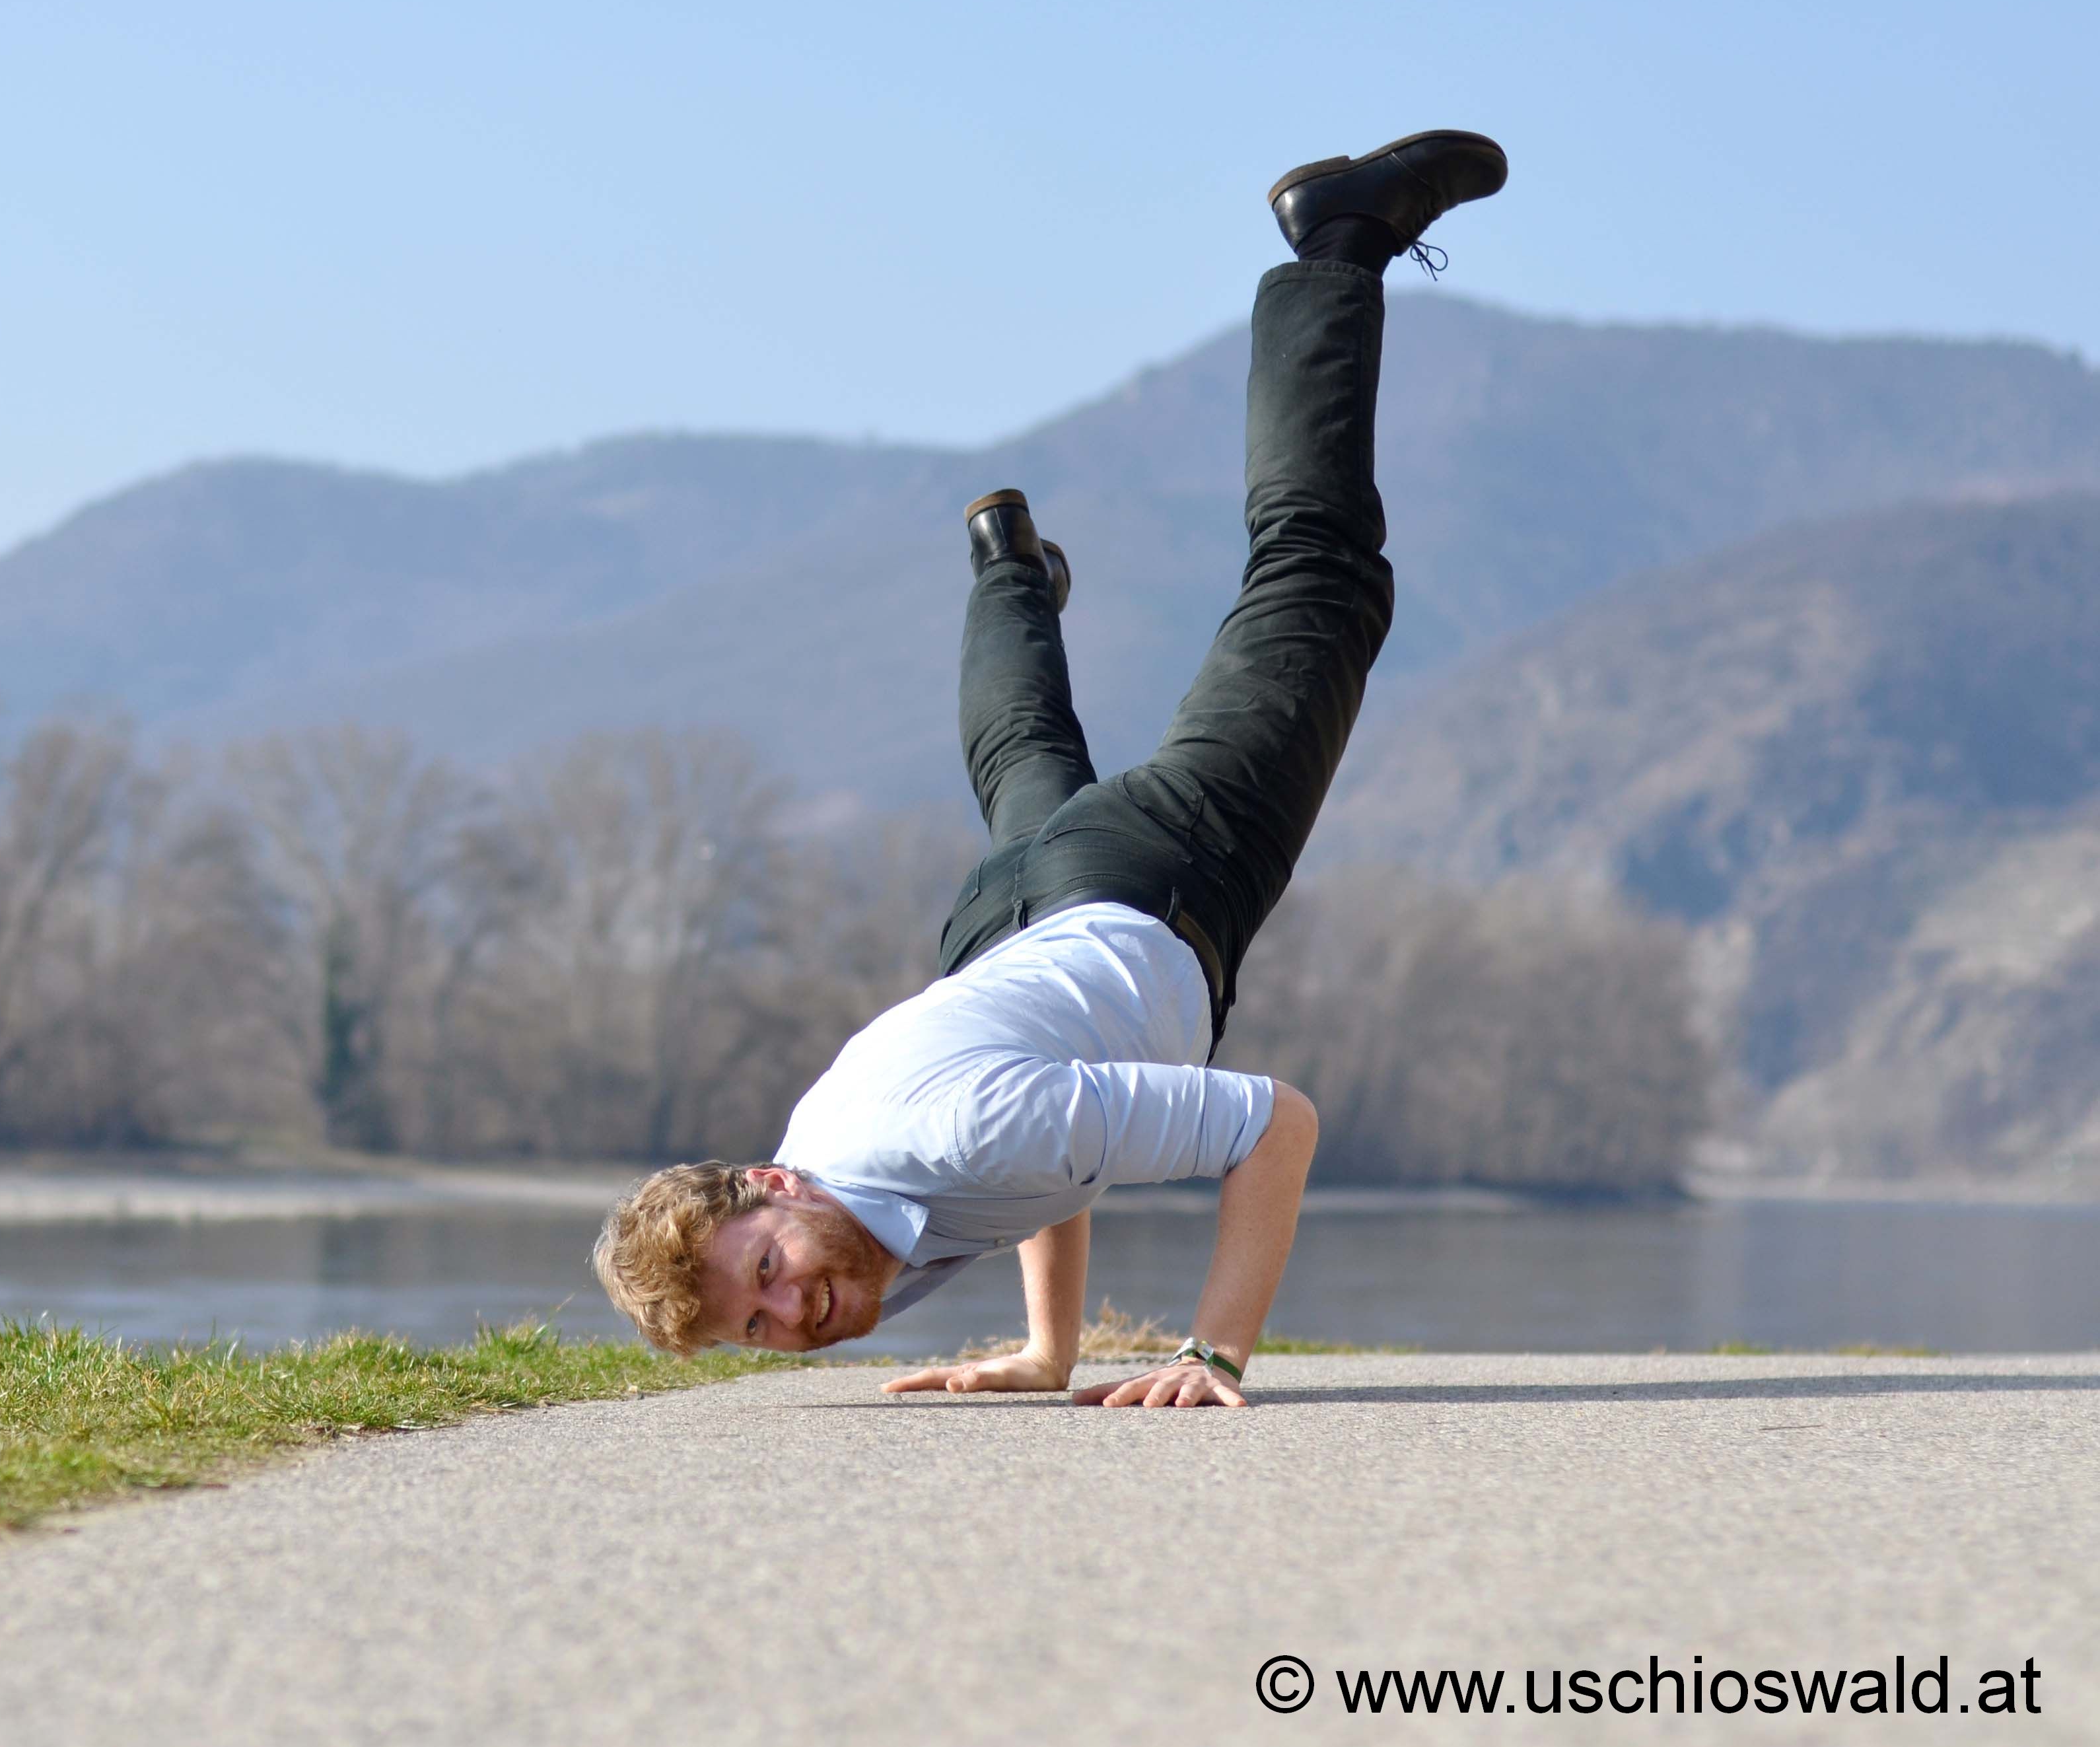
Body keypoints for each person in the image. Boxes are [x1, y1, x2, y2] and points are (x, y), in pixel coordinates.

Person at [593, 131, 1508, 1408]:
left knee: (1321, 573)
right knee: (1025, 755)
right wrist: (1050, 1352)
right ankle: (1006, 573)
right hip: (1004, 926)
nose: (795, 1312)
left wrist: (1212, 1350)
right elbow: (1048, 1153)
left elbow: (1272, 1126)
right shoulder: (852, 1170)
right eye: (759, 1326)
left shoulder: (941, 1137)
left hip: (1151, 880)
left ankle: (1337, 243)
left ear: (774, 1188)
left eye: (768, 1270)